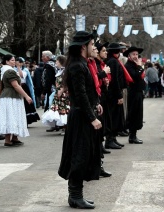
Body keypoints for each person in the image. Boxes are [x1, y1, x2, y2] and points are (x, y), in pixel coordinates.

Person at [58, 31, 103, 209]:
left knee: (84, 155)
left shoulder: (82, 64)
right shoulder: (77, 65)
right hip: (81, 117)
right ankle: (75, 196)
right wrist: (92, 117)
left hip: (83, 114)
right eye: (92, 44)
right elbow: (79, 95)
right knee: (79, 156)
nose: (95, 48)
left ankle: (76, 195)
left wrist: (96, 104)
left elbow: (87, 92)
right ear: (84, 46)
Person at [0, 54, 32, 147]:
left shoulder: (6, 70)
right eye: (12, 60)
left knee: (12, 116)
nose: (14, 61)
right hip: (11, 97)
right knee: (11, 116)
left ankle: (14, 138)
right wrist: (26, 96)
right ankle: (8, 140)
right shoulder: (9, 71)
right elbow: (16, 85)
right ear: (7, 62)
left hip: (10, 96)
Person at [105, 43, 128, 149]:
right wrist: (119, 95)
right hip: (113, 94)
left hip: (113, 93)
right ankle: (110, 139)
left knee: (115, 116)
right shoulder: (113, 61)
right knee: (113, 117)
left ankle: (113, 138)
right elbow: (115, 80)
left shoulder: (112, 60)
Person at [41, 56, 69, 132]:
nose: (55, 63)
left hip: (63, 95)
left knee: (64, 110)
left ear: (61, 62)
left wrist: (62, 90)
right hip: (58, 94)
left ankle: (65, 127)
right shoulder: (60, 71)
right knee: (58, 110)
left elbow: (67, 83)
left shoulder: (65, 72)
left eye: (57, 61)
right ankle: (60, 126)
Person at [94, 41, 112, 155]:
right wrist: (104, 74)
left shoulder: (100, 63)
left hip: (103, 94)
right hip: (98, 95)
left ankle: (101, 144)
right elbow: (94, 79)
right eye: (103, 51)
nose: (106, 53)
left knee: (104, 121)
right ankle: (99, 145)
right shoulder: (95, 63)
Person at [124, 46, 145, 144]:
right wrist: (140, 67)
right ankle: (132, 136)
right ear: (129, 55)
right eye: (133, 54)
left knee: (138, 113)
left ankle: (134, 135)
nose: (136, 56)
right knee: (134, 113)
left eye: (137, 54)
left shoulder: (135, 64)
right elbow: (135, 77)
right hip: (133, 92)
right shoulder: (129, 65)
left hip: (139, 91)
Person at [15, 57, 40, 125]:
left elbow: (22, 76)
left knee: (25, 103)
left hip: (23, 87)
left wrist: (19, 67)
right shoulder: (13, 69)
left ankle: (26, 120)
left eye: (20, 62)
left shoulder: (25, 69)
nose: (18, 63)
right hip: (16, 87)